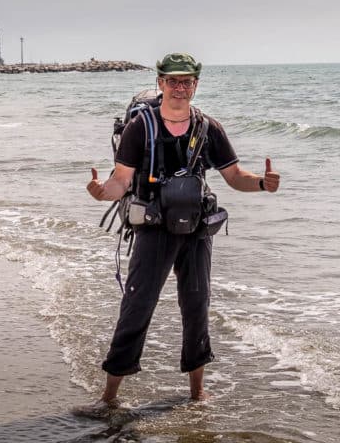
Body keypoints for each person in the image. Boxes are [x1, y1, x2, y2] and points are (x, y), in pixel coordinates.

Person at [82, 52, 280, 413]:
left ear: (196, 85)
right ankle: (109, 396)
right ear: (160, 83)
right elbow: (120, 182)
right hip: (155, 229)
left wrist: (263, 184)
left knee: (197, 306)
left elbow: (235, 177)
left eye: (186, 80)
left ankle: (196, 393)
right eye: (172, 80)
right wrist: (100, 192)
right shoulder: (139, 128)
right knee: (137, 307)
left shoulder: (208, 128)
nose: (179, 87)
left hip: (197, 230)